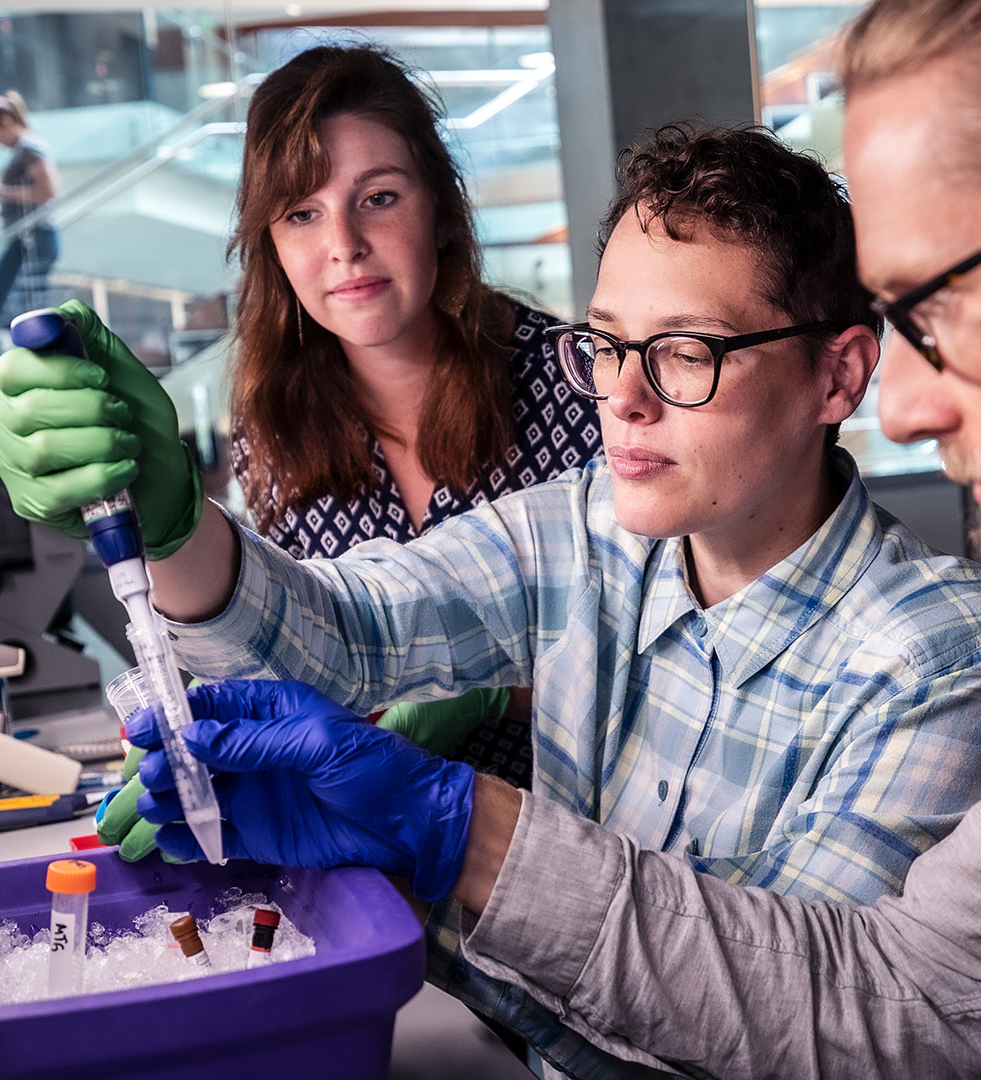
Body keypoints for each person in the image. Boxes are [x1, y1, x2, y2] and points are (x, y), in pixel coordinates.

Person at [116, 0, 981, 1075]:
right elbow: (897, 996)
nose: (908, 404)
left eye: (941, 301)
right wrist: (443, 833)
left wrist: (448, 831)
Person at [0, 122, 981, 1075]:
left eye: (686, 351)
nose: (625, 400)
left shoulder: (950, 659)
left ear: (837, 377)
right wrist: (180, 534)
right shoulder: (584, 528)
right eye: (607, 345)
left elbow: (803, 1022)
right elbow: (350, 630)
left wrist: (455, 837)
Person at [89, 45, 607, 862]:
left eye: (378, 198)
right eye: (302, 212)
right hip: (374, 860)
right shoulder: (272, 427)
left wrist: (484, 696)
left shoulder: (577, 380)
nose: (344, 243)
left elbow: (663, 649)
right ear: (272, 244)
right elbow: (287, 649)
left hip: (571, 854)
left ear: (439, 208)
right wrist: (207, 713)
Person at [0, 91, 61, 324]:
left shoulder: (29, 147)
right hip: (29, 237)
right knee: (20, 309)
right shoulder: (25, 148)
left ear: (4, 121)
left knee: (4, 305)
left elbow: (48, 191)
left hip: (34, 237)